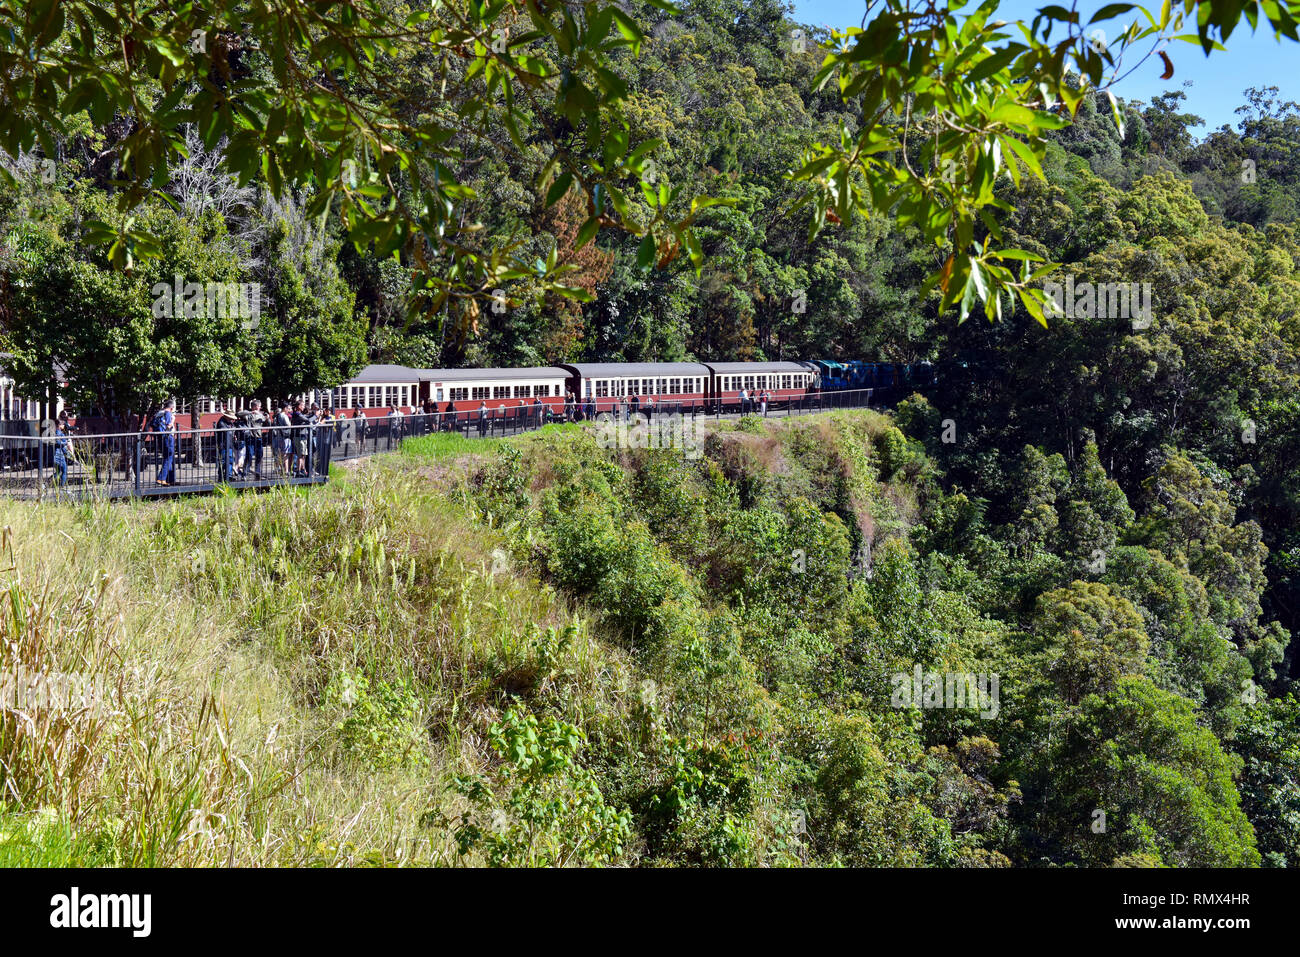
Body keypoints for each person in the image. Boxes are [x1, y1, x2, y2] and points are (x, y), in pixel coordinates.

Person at [152, 399, 177, 486]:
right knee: (169, 457)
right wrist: (173, 420)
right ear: (171, 407)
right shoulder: (168, 413)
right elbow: (168, 426)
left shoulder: (159, 414)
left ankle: (169, 479)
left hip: (160, 438)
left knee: (167, 457)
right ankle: (161, 478)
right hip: (168, 438)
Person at [240, 400, 268, 479]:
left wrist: (267, 418)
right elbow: (238, 414)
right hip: (250, 438)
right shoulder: (248, 415)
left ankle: (258, 473)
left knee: (259, 456)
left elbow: (267, 422)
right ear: (255, 407)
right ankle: (244, 474)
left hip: (259, 438)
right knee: (249, 455)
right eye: (259, 406)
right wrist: (250, 412)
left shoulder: (261, 415)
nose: (259, 408)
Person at [213, 401, 239, 482]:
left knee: (230, 460)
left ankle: (229, 475)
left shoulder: (229, 422)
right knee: (223, 461)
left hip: (230, 444)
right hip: (223, 445)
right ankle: (221, 476)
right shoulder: (221, 422)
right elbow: (224, 431)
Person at [275, 402, 294, 476]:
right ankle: (286, 471)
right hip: (286, 436)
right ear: (285, 408)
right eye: (288, 408)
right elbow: (288, 425)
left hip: (280, 436)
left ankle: (282, 469)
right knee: (286, 454)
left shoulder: (278, 415)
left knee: (282, 453)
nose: (289, 410)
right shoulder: (284, 416)